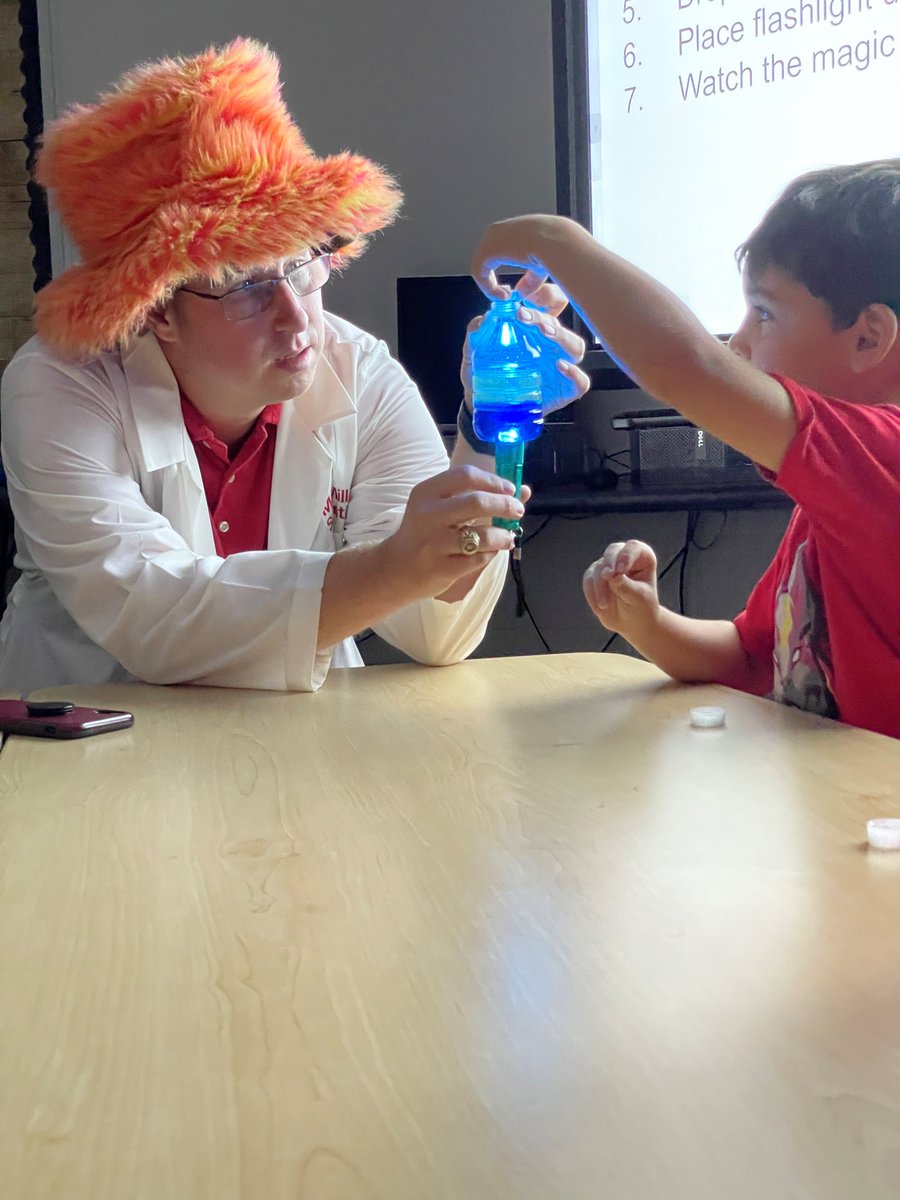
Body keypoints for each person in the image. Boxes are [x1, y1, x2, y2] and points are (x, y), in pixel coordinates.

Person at [0, 38, 588, 694]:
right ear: (157, 310)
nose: (297, 316)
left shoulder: (361, 373)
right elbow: (157, 617)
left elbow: (432, 631)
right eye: (247, 284)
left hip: (290, 736)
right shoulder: (57, 385)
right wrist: (392, 568)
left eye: (302, 261)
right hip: (89, 730)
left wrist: (484, 429)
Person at [471, 160, 900, 738]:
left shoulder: (885, 458)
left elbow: (686, 366)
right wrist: (649, 623)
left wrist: (556, 241)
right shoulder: (833, 496)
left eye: (764, 313)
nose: (739, 342)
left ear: (869, 337)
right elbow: (751, 658)